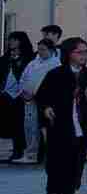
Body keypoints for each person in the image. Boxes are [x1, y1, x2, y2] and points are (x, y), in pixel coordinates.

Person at [34, 37, 87, 194]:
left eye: (86, 52)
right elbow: (42, 96)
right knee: (56, 161)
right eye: (79, 52)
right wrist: (46, 108)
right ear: (69, 54)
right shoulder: (55, 74)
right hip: (59, 125)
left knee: (77, 161)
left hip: (80, 126)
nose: (84, 55)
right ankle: (53, 193)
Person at [17, 35, 60, 164]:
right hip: (28, 99)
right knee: (29, 126)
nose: (40, 52)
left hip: (45, 101)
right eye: (39, 49)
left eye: (43, 49)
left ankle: (42, 154)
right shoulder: (33, 62)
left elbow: (50, 84)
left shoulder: (55, 65)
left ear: (51, 50)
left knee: (43, 128)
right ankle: (30, 152)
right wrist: (23, 91)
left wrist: (36, 94)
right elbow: (23, 78)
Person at [2, 30, 32, 162]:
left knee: (18, 124)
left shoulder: (28, 58)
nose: (10, 42)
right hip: (5, 93)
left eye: (13, 40)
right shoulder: (6, 58)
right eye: (9, 40)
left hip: (20, 95)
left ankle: (18, 151)